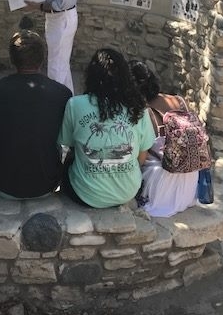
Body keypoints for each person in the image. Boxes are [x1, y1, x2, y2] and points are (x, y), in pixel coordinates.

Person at [58, 48, 155, 208]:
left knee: (69, 161)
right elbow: (141, 157)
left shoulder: (75, 104)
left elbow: (68, 144)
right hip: (127, 192)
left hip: (84, 194)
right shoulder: (139, 108)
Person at [0, 30, 72, 199]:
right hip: (46, 183)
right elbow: (64, 138)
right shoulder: (62, 93)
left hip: (2, 182)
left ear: (12, 59)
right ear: (42, 58)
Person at [129, 60, 198, 217]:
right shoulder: (180, 101)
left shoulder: (144, 113)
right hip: (189, 184)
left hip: (161, 188)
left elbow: (141, 158)